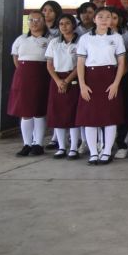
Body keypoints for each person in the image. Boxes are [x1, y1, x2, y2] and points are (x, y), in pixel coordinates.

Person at [75, 7, 127, 166]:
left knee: (110, 118)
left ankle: (106, 152)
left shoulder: (116, 37)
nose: (104, 20)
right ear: (94, 19)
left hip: (110, 78)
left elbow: (121, 63)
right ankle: (93, 152)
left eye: (108, 17)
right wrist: (82, 85)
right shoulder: (85, 38)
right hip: (90, 79)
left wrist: (116, 83)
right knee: (90, 118)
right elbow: (80, 63)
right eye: (100, 16)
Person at [9, 12, 52, 156]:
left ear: (44, 21)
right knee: (25, 112)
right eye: (31, 20)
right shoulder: (21, 39)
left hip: (41, 76)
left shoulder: (50, 39)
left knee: (39, 111)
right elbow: (16, 58)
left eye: (38, 20)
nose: (34, 22)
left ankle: (38, 144)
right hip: (23, 77)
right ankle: (27, 143)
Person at [45, 15, 81, 159]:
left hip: (73, 78)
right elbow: (49, 64)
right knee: (57, 114)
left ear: (73, 25)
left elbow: (80, 65)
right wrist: (58, 81)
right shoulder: (54, 42)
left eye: (67, 23)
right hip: (56, 79)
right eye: (61, 24)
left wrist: (66, 81)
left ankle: (73, 147)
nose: (64, 26)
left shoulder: (80, 42)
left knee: (72, 114)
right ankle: (61, 147)